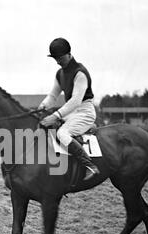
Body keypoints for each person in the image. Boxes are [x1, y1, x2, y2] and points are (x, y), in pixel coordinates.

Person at [39, 37, 100, 180]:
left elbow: (76, 101)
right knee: (46, 127)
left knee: (62, 134)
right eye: (55, 59)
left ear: (68, 54)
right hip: (71, 113)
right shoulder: (60, 74)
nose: (57, 62)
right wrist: (42, 107)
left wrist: (55, 116)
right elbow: (53, 96)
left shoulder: (80, 73)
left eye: (59, 58)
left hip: (84, 111)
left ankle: (90, 165)